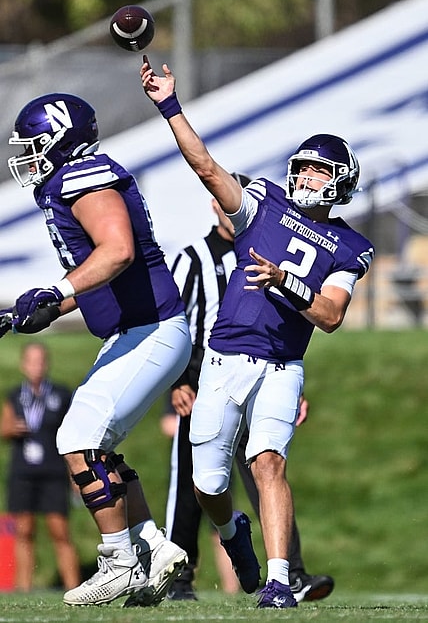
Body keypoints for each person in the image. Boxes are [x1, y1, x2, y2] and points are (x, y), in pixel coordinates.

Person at [140, 57, 375, 609]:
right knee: (209, 484)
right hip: (222, 359)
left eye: (318, 172)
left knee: (268, 461)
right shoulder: (262, 204)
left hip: (281, 365)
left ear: (339, 184)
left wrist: (282, 280)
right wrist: (168, 105)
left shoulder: (348, 247)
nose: (305, 177)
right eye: (305, 167)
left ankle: (277, 580)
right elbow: (206, 167)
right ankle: (232, 535)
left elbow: (332, 314)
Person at [0, 92, 192, 608]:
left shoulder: (81, 174)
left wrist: (58, 291)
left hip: (150, 329)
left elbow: (118, 251)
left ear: (61, 141)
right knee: (94, 444)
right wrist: (38, 311)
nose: (27, 155)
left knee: (78, 435)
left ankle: (119, 562)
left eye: (35, 144)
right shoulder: (73, 179)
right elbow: (102, 279)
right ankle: (151, 545)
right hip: (142, 329)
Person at [165, 190, 334, 602]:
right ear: (214, 206)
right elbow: (172, 323)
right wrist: (177, 381)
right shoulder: (192, 258)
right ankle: (180, 576)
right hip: (208, 374)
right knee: (196, 482)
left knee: (269, 468)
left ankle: (289, 574)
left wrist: (294, 387)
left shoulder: (272, 250)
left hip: (266, 371)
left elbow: (281, 325)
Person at [0, 341, 80, 592]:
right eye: (31, 361)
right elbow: (4, 428)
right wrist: (10, 429)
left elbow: (73, 433)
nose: (36, 366)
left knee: (60, 531)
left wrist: (75, 476)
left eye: (41, 361)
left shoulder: (60, 394)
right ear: (23, 365)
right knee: (24, 531)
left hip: (53, 472)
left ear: (47, 363)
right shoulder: (15, 396)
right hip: (23, 472)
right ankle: (23, 588)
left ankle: (74, 587)